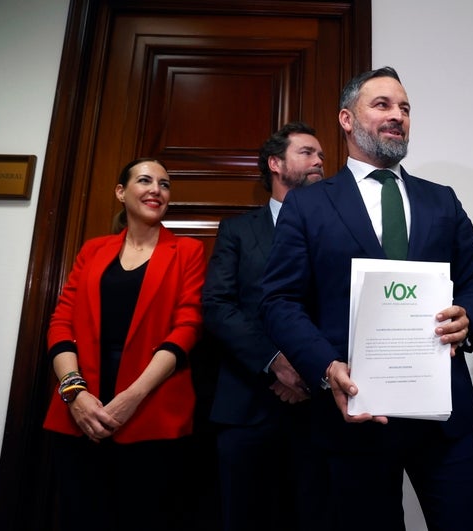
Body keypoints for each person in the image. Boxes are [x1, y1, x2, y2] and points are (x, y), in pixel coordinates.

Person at [260, 66, 473, 531]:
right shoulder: (307, 205)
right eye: (383, 105)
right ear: (346, 119)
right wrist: (327, 368)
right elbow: (279, 301)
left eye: (405, 108)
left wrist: (468, 314)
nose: (398, 116)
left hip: (443, 418)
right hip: (355, 415)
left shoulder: (441, 200)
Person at [43, 158, 206, 531]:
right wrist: (75, 393)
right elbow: (61, 321)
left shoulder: (188, 252)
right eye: (145, 181)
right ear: (121, 192)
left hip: (153, 409)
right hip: (79, 412)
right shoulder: (93, 250)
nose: (156, 190)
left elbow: (188, 326)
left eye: (164, 185)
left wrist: (133, 396)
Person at [201, 121, 325, 531]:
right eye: (307, 152)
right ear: (275, 163)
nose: (319, 160)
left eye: (321, 154)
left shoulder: (334, 230)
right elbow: (219, 306)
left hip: (318, 408)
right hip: (246, 406)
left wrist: (306, 372)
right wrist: (276, 363)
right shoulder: (238, 231)